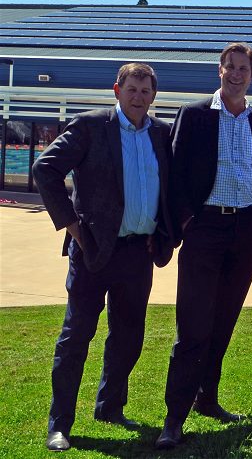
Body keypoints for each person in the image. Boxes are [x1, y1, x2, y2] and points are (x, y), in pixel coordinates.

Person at [32, 63, 174, 452]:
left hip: (137, 254)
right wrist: (71, 225)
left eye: (146, 91)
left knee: (128, 337)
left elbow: (170, 190)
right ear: (117, 89)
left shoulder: (162, 134)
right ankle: (59, 424)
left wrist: (163, 234)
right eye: (132, 89)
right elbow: (45, 169)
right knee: (76, 337)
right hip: (92, 251)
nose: (138, 97)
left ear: (153, 96)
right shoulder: (91, 125)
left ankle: (110, 406)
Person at [155, 42, 252, 449]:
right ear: (219, 71)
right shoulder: (194, 115)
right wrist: (187, 219)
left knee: (223, 322)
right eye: (230, 67)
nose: (237, 74)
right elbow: (174, 172)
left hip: (246, 233)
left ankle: (208, 399)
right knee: (193, 326)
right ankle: (174, 417)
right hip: (204, 229)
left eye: (244, 68)